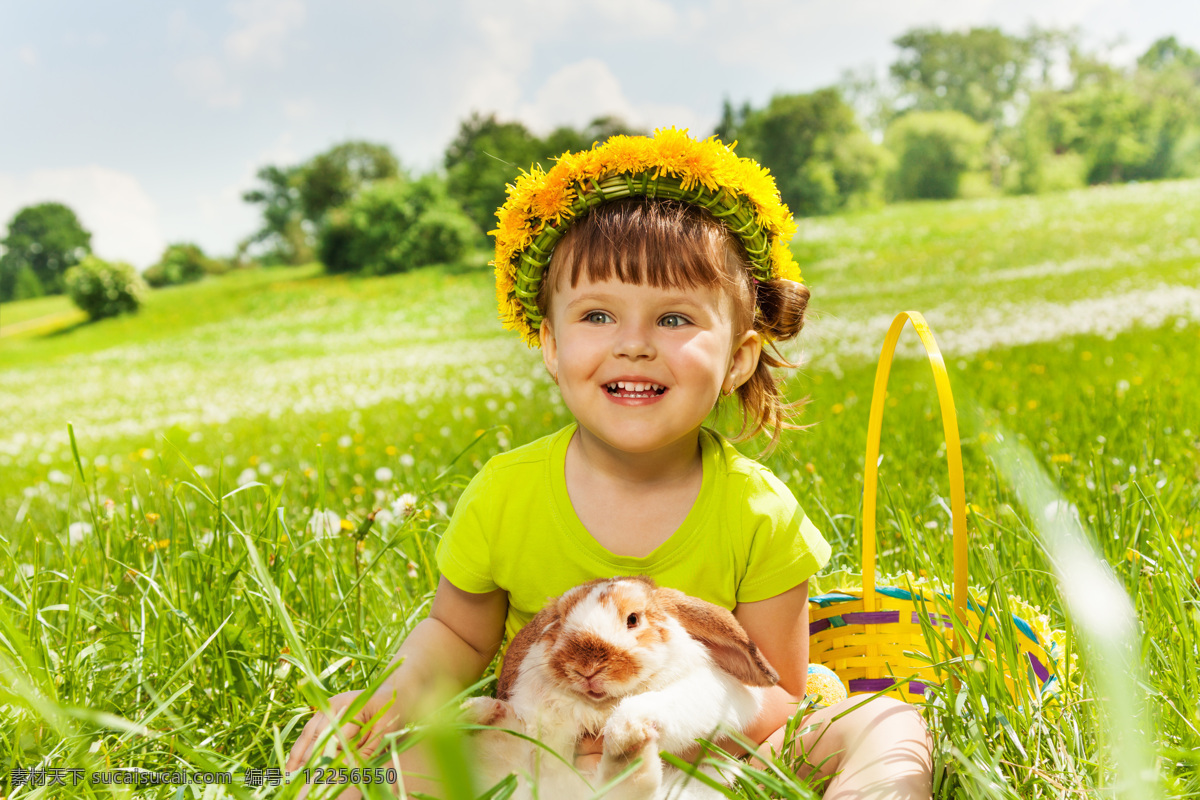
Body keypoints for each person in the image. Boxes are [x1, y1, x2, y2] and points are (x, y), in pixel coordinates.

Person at [287, 129, 932, 799]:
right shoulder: (505, 493)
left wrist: (655, 724)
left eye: (674, 320)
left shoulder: (758, 511)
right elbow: (454, 633)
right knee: (352, 774)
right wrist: (390, 696)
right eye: (598, 314)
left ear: (738, 358)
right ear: (551, 344)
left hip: (706, 756)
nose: (633, 346)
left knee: (884, 723)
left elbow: (774, 694)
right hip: (538, 753)